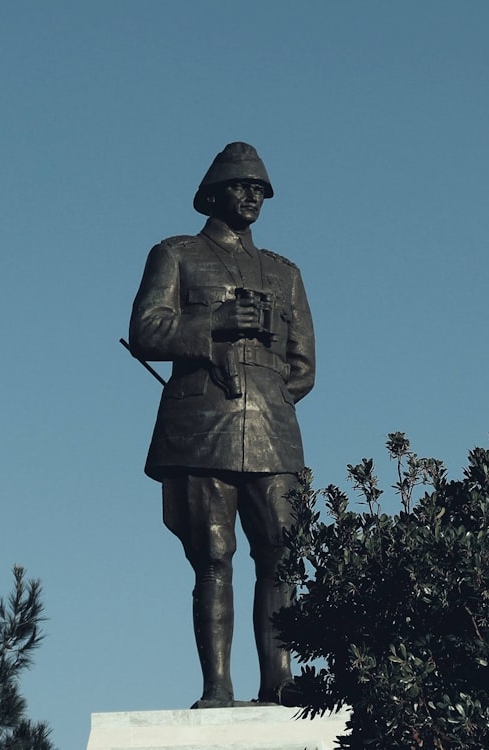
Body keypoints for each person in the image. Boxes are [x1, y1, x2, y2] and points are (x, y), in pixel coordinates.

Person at [128, 142, 315, 707]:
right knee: (212, 557)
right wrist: (214, 322)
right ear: (214, 193)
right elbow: (146, 330)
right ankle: (217, 687)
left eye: (260, 188)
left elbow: (303, 367)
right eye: (241, 185)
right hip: (201, 425)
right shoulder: (176, 253)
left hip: (271, 431)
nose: (252, 195)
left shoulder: (285, 273)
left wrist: (270, 394)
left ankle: (278, 681)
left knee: (282, 553)